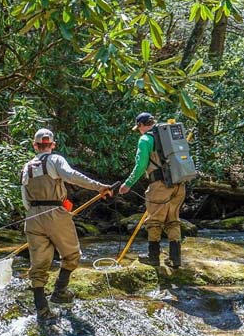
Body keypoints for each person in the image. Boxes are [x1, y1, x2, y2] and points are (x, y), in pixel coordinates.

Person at [21, 128, 113, 325]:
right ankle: (60, 291)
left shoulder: (26, 166)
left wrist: (34, 214)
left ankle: (42, 310)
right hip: (55, 213)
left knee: (38, 265)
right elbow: (71, 175)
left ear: (35, 146)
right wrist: (99, 187)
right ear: (52, 145)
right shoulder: (55, 160)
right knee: (72, 254)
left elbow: (24, 199)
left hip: (32, 217)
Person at [118, 113, 186, 267]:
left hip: (160, 186)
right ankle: (175, 260)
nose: (139, 131)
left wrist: (128, 184)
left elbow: (141, 166)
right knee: (173, 221)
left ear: (142, 125)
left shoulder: (145, 139)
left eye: (138, 128)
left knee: (154, 221)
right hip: (180, 184)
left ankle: (153, 258)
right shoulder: (169, 134)